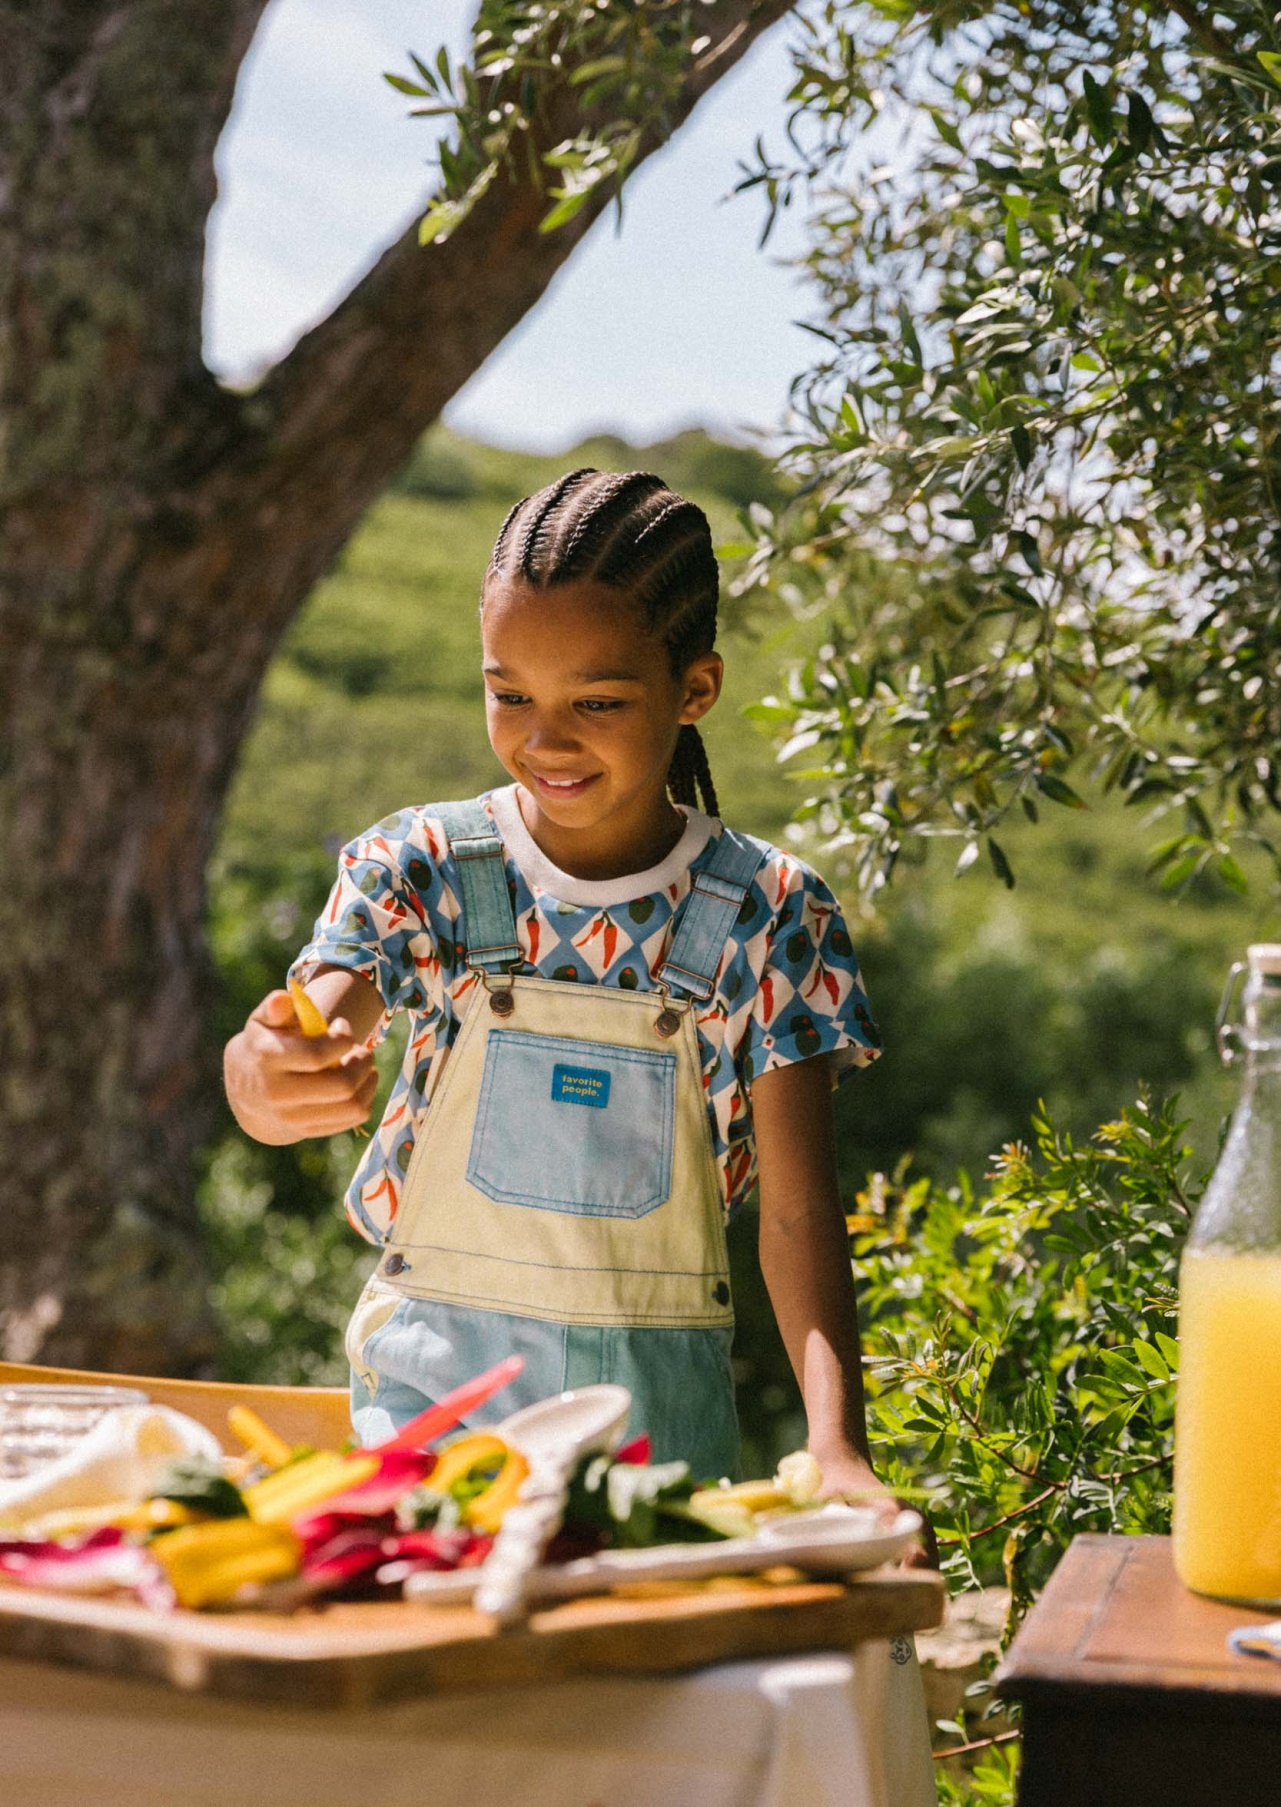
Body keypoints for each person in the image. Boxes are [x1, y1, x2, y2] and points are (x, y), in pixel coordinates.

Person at [224, 468, 915, 1537]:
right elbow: (306, 1028)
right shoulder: (424, 870)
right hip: (428, 1437)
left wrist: (835, 1447)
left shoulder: (770, 917)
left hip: (658, 1456)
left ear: (694, 689)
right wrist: (264, 1073)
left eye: (596, 701)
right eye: (511, 695)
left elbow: (795, 1214)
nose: (546, 738)